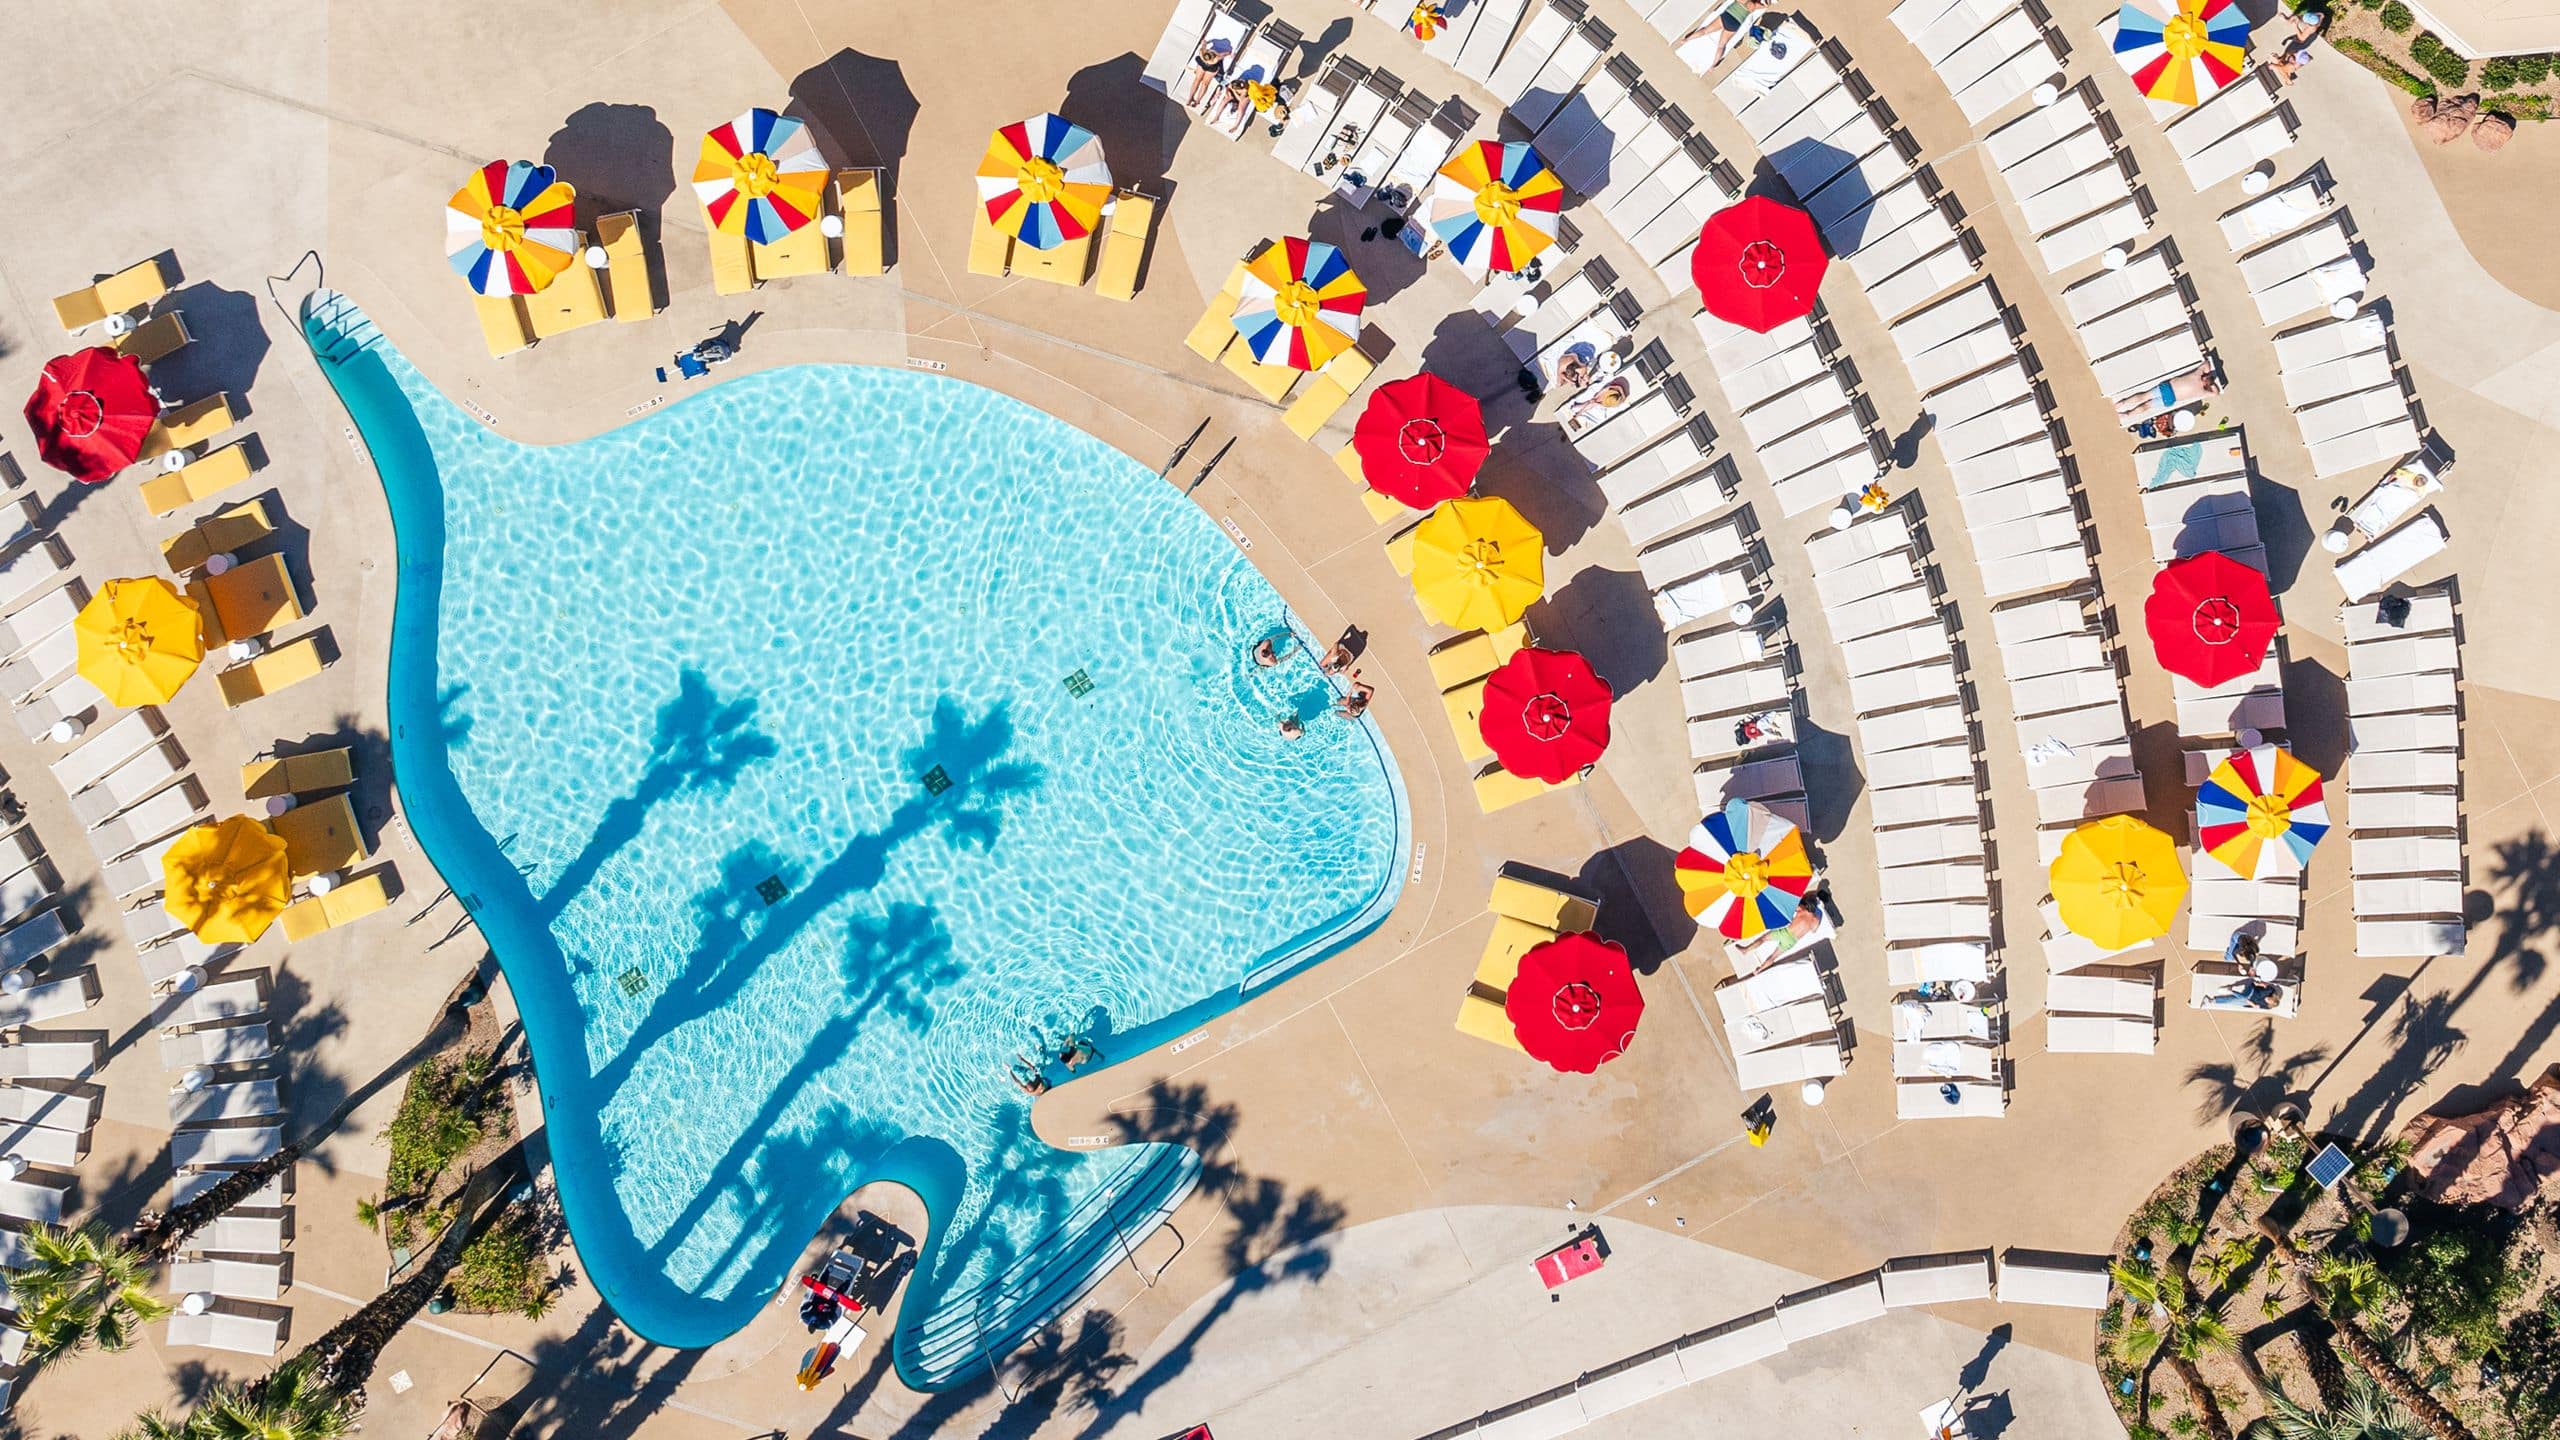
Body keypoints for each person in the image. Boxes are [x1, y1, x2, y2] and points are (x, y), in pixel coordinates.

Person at [2115, 363, 2221, 425]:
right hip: (2170, 397)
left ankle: (2124, 404)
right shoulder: (2202, 391)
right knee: (2147, 405)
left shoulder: (2197, 375)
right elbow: (2216, 393)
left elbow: (2206, 364)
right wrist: (2211, 384)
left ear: (2205, 378)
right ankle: (2127, 413)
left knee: (2145, 397)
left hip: (2167, 389)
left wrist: (2208, 374)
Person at [1678, 5, 1749, 68]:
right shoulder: (1755, 4)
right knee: (1721, 46)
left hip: (1728, 15)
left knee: (1705, 31)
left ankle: (1686, 40)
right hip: (1736, 22)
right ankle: (1713, 65)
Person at [1185, 37, 1232, 109]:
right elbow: (1225, 54)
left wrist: (1205, 41)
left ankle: (1190, 98)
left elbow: (1204, 44)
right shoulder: (1216, 58)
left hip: (1202, 63)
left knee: (1197, 80)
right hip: (1212, 67)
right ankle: (1197, 100)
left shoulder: (1202, 52)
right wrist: (1229, 53)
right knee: (1205, 83)